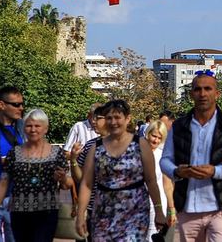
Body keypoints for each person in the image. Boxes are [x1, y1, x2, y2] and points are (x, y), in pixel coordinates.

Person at [160, 70, 222, 242]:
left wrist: (215, 171)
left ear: (217, 93)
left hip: (220, 205)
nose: (203, 94)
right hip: (188, 206)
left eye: (208, 89)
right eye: (198, 89)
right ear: (191, 94)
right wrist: (177, 171)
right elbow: (165, 160)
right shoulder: (179, 126)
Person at [75, 100, 167, 240]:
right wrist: (80, 215)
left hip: (135, 212)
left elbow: (151, 180)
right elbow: (87, 183)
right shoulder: (96, 147)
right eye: (109, 118)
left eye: (117, 117)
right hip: (103, 213)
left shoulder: (140, 144)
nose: (113, 122)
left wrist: (159, 210)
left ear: (127, 118)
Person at [0, 108, 72, 242]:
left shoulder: (56, 153)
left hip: (46, 212)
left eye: (37, 126)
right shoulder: (14, 153)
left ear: (45, 129)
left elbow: (67, 185)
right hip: (19, 212)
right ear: (24, 128)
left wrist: (63, 178)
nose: (33, 129)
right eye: (29, 126)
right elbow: (3, 183)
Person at [0, 86, 26, 242]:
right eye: (16, 104)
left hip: (18, 201)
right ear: (2, 105)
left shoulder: (25, 129)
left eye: (22, 104)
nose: (21, 108)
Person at [69, 104, 108, 242]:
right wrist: (73, 160)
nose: (94, 122)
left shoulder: (126, 145)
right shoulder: (90, 145)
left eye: (98, 118)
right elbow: (81, 179)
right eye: (94, 118)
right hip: (93, 209)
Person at [145, 120, 177, 242]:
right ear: (148, 133)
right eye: (154, 136)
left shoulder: (163, 156)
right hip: (138, 203)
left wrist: (171, 209)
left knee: (152, 238)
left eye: (160, 138)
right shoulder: (136, 152)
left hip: (157, 205)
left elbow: (167, 184)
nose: (156, 140)